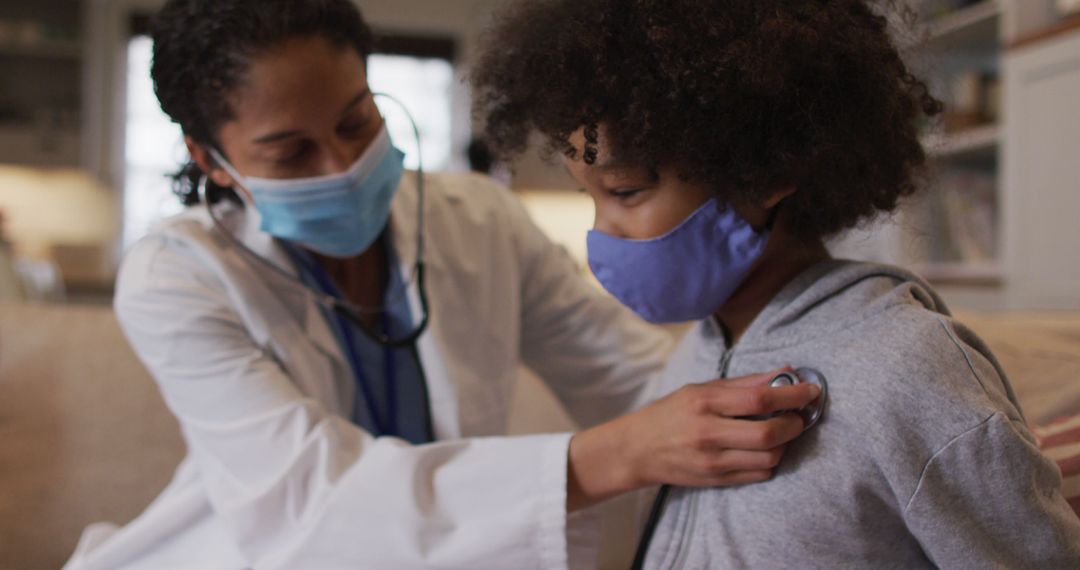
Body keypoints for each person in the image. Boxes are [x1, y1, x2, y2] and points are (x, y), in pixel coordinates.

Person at [64, 1, 823, 568]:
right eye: (289, 153)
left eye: (357, 122)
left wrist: (802, 385)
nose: (340, 167)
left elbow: (633, 376)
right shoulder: (176, 276)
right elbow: (309, 505)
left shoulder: (477, 219)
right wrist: (613, 456)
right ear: (209, 157)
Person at [471, 0, 1080, 567]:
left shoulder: (911, 369)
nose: (602, 233)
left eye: (626, 191)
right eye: (590, 198)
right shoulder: (692, 356)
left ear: (764, 173)